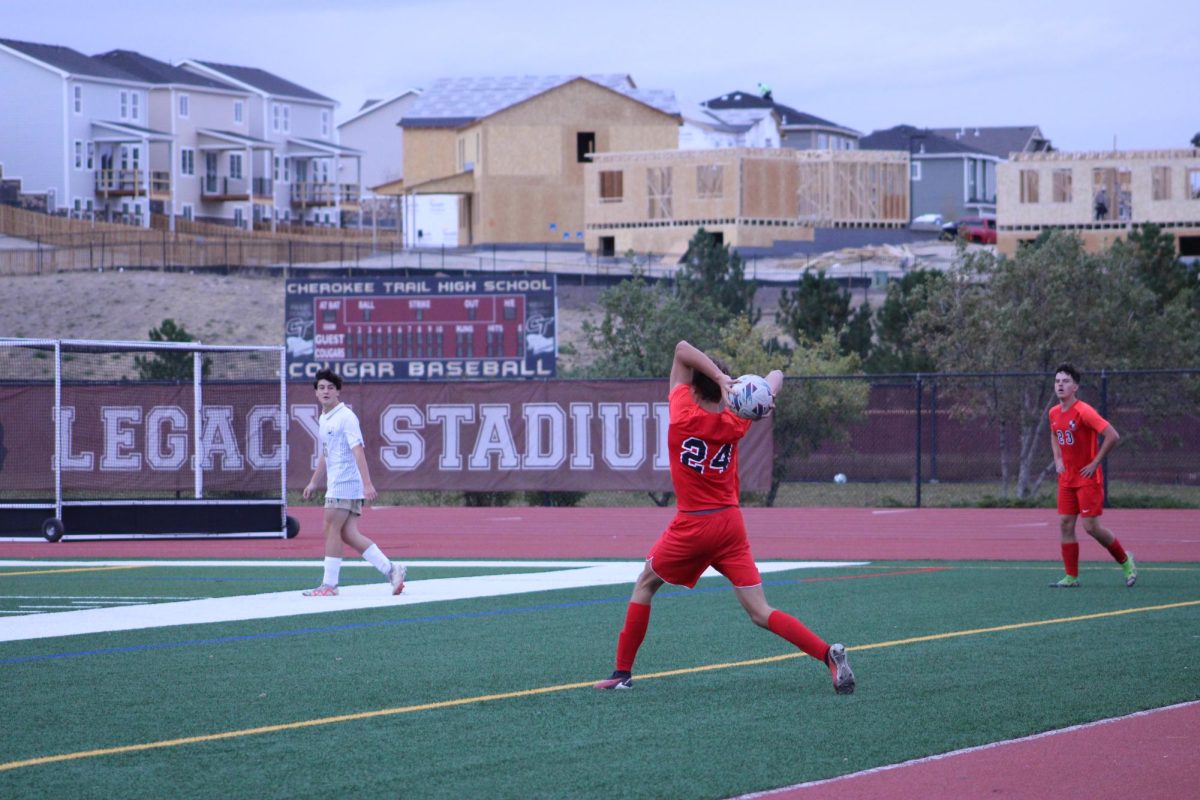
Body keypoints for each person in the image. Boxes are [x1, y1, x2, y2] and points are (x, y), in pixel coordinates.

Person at [594, 341, 855, 694]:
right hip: (730, 525)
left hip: (693, 525)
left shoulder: (682, 412)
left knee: (645, 584)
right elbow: (776, 376)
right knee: (760, 611)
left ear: (693, 387)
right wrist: (761, 390)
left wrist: (719, 377)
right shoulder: (737, 421)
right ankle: (827, 655)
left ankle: (621, 673)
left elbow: (681, 349)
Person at [301, 369, 406, 597]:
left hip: (345, 483)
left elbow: (358, 451)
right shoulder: (324, 417)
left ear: (338, 391)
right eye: (321, 387)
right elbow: (326, 453)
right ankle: (391, 570)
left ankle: (329, 585)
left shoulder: (345, 416)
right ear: (316, 392)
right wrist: (313, 482)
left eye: (330, 387)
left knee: (330, 529)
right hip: (340, 483)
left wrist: (367, 484)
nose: (326, 391)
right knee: (348, 533)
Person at [1047, 363, 1136, 588]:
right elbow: (1055, 434)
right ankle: (1071, 577)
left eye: (1065, 381)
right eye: (1057, 381)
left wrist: (1095, 462)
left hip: (1087, 478)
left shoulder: (1084, 412)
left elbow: (1112, 435)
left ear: (1075, 387)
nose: (1060, 385)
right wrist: (1057, 459)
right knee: (1065, 524)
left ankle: (1126, 561)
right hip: (1067, 479)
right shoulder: (1054, 412)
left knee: (1091, 528)